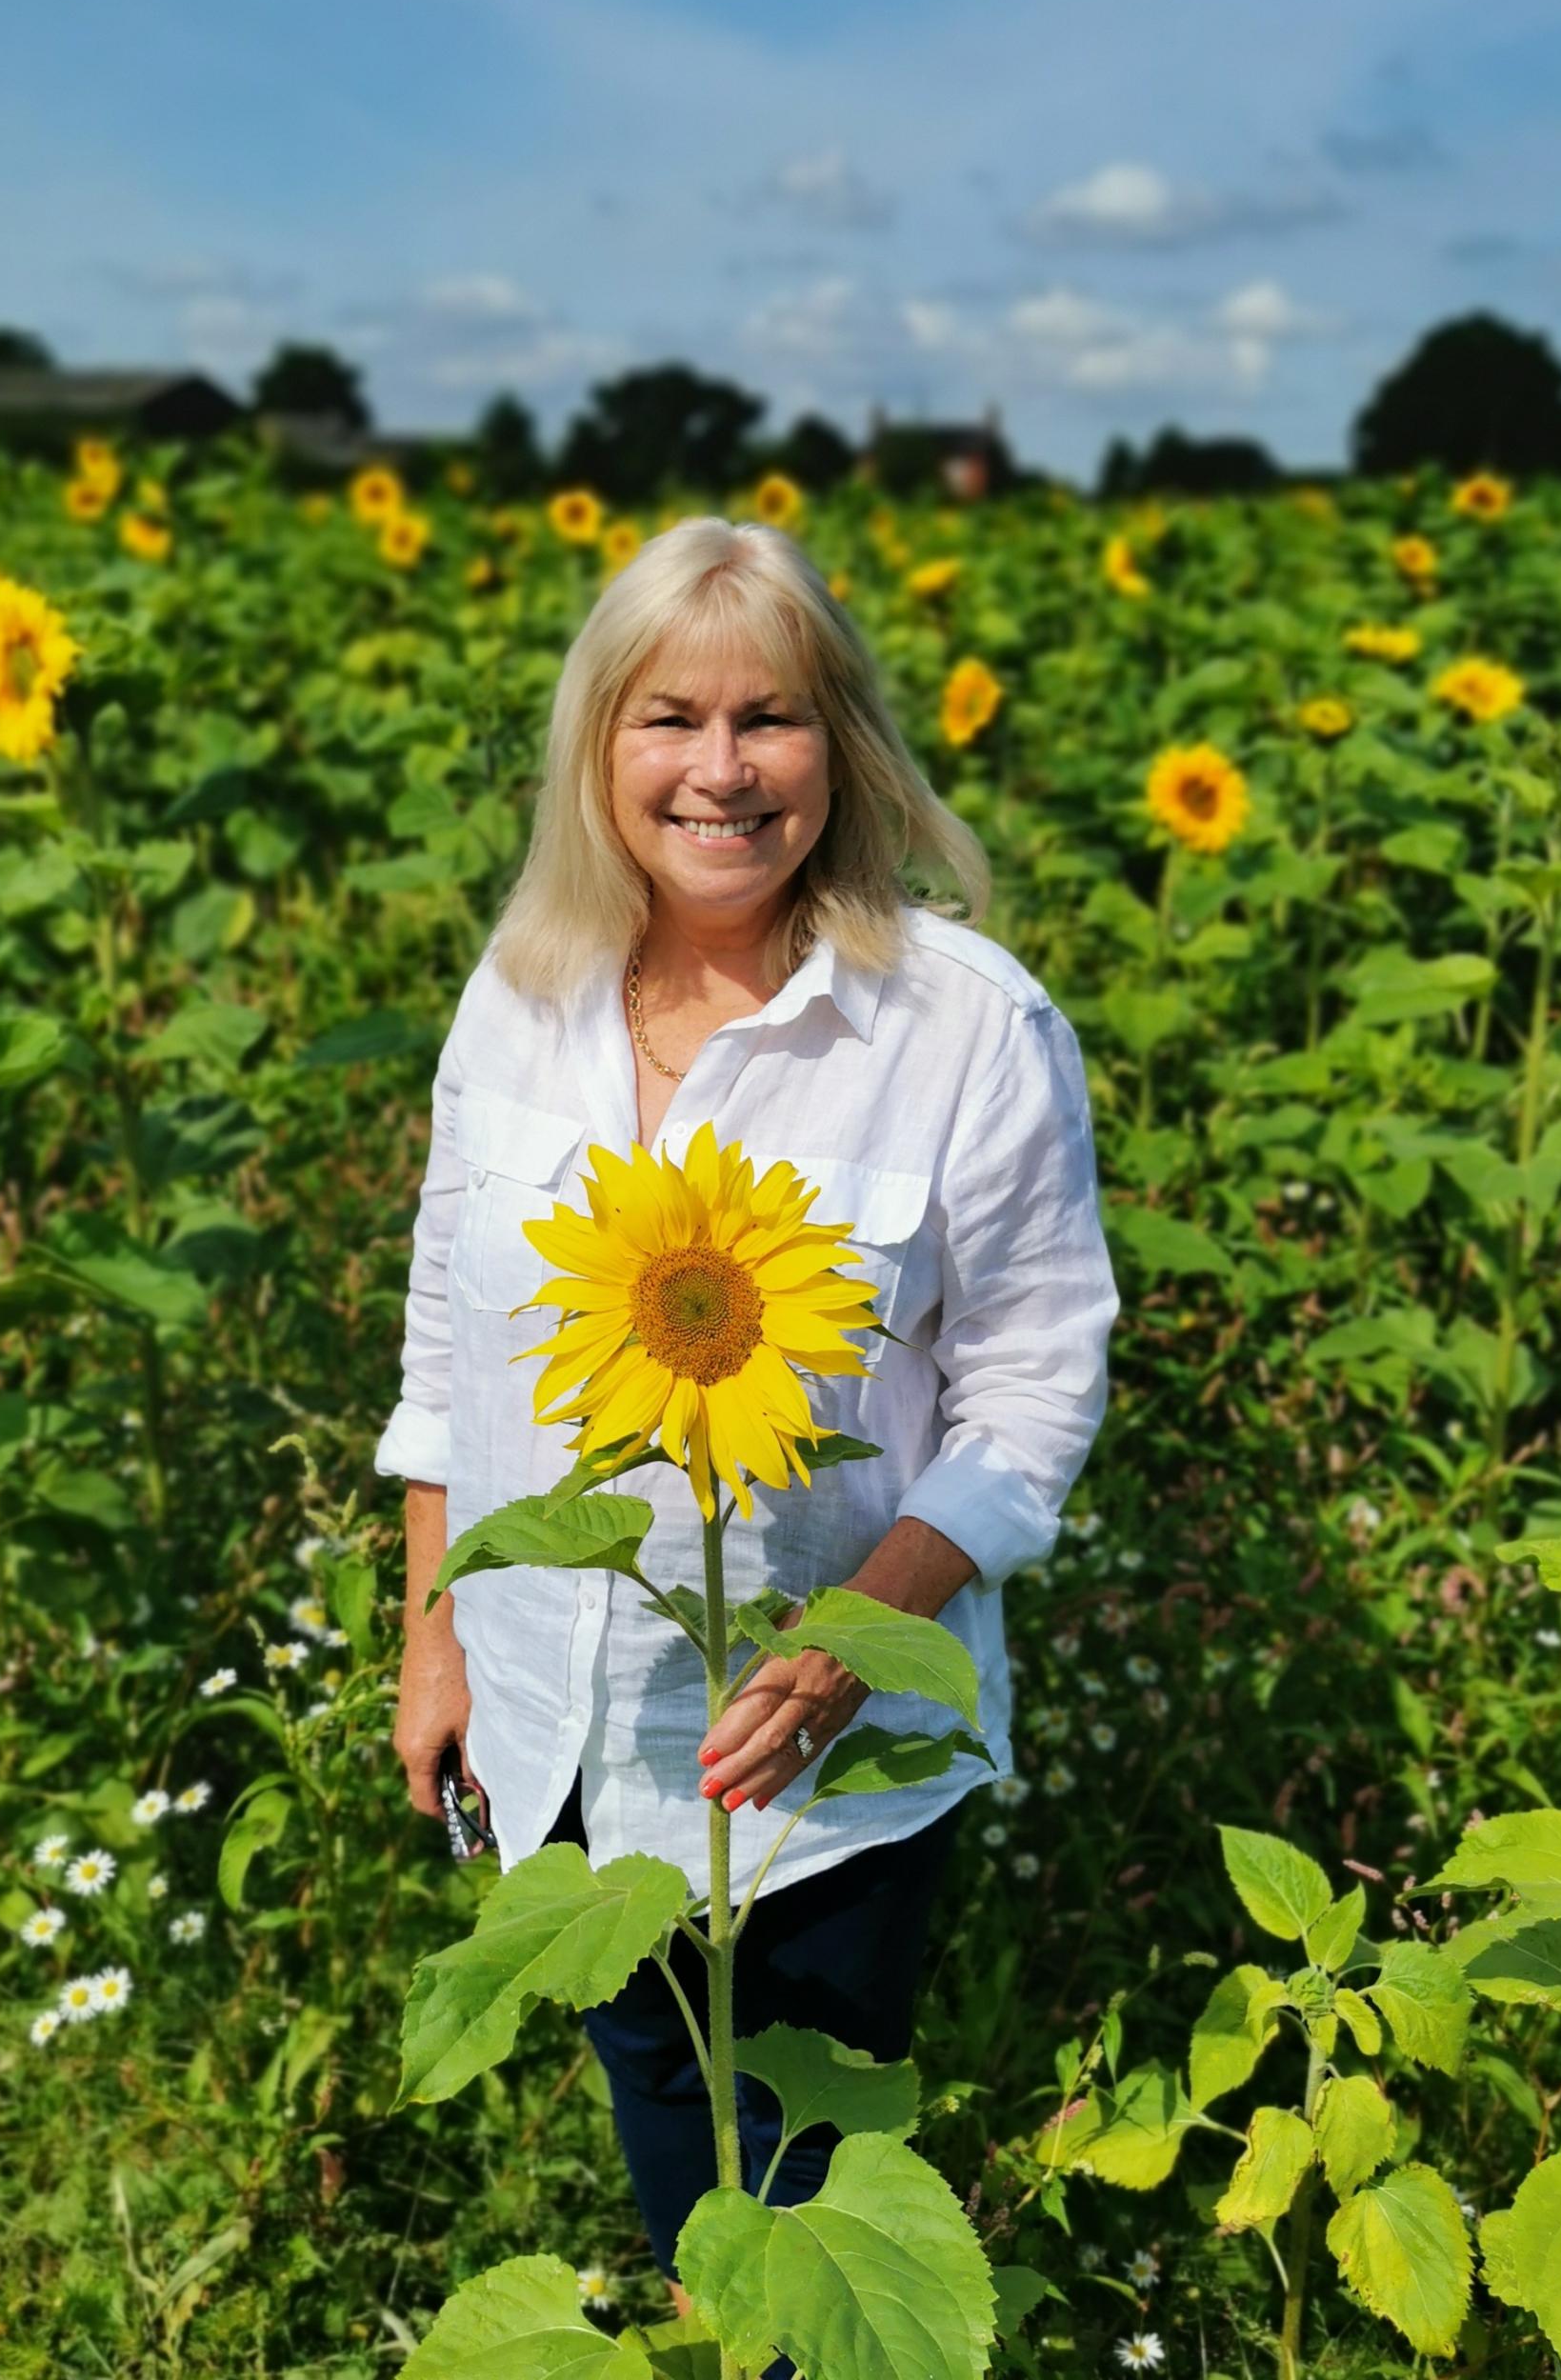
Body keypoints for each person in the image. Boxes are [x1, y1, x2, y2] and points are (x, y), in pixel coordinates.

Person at [377, 515, 1118, 2344]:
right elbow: (445, 1331)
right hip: (558, 1719)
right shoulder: (526, 989)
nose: (720, 770)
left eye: (769, 718)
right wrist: (434, 1625)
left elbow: (1036, 1378)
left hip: (825, 1757)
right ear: (597, 752)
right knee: (657, 2091)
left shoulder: (961, 1025)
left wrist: (855, 1644)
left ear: (841, 748)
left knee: (802, 2143)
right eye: (668, 719)